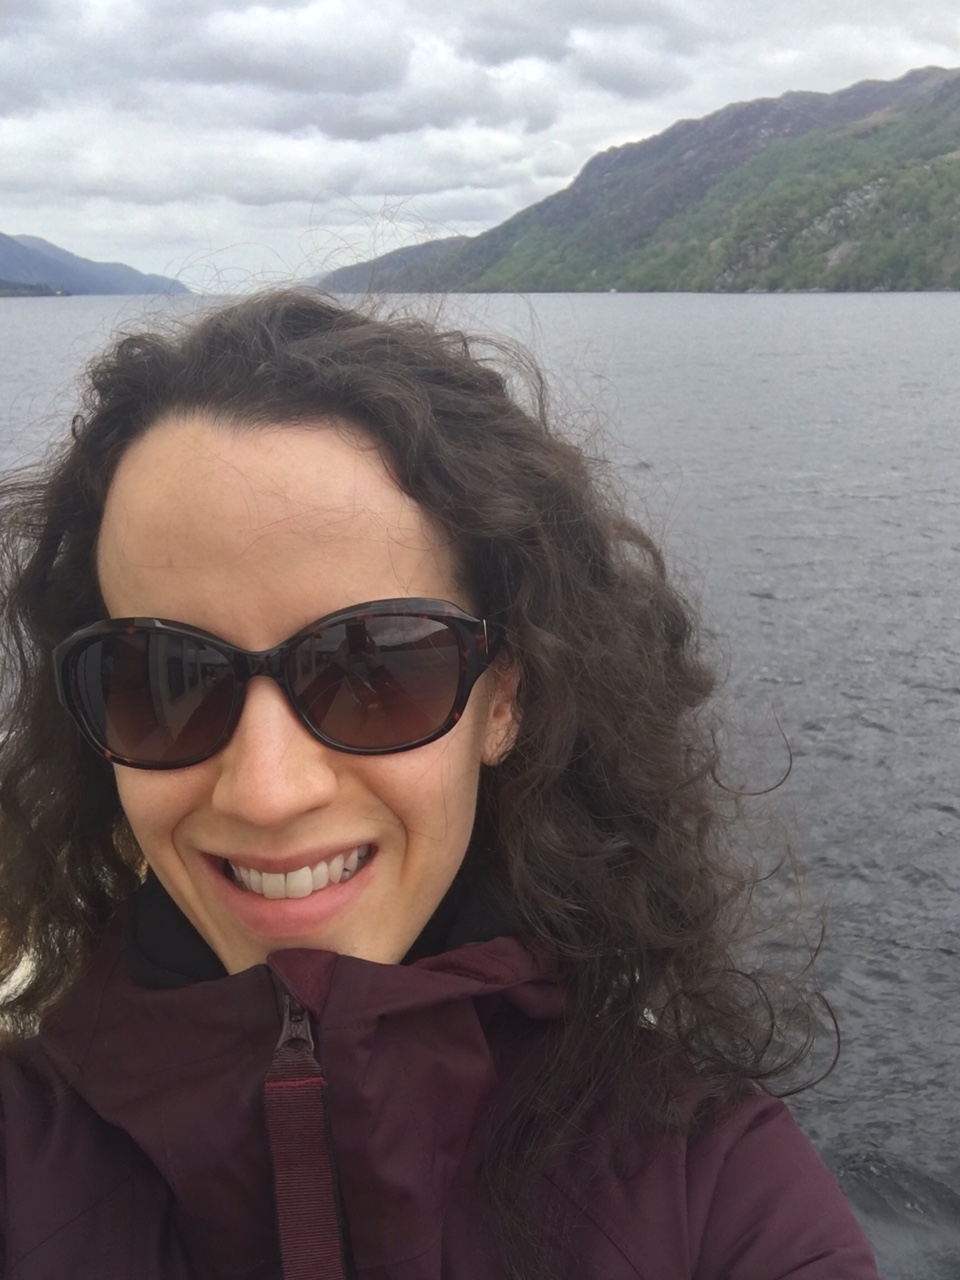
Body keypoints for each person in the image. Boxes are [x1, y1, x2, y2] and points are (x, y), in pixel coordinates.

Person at [0, 290, 878, 1280]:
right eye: (164, 678)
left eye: (374, 668)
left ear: (504, 697)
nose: (267, 791)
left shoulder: (711, 1187)